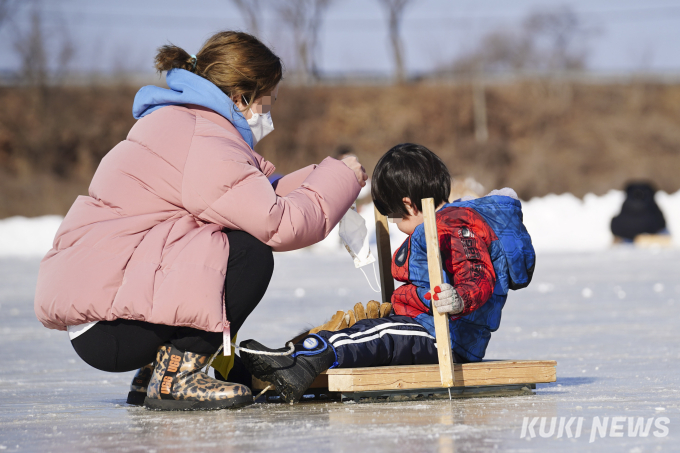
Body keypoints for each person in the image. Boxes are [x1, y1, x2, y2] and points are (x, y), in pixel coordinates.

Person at [33, 31, 368, 411]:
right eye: (269, 99)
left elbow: (257, 196)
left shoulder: (182, 123)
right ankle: (176, 375)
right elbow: (278, 223)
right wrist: (339, 177)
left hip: (103, 312)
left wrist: (323, 178)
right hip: (113, 327)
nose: (270, 111)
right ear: (241, 97)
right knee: (249, 252)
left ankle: (154, 370)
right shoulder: (206, 141)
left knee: (229, 237)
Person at [240, 143, 536, 403]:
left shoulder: (456, 225)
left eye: (394, 217)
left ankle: (303, 359)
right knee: (368, 329)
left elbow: (477, 274)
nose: (394, 224)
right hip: (422, 326)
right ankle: (289, 357)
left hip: (443, 337)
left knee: (377, 334)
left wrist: (458, 297)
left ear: (408, 204)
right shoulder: (446, 223)